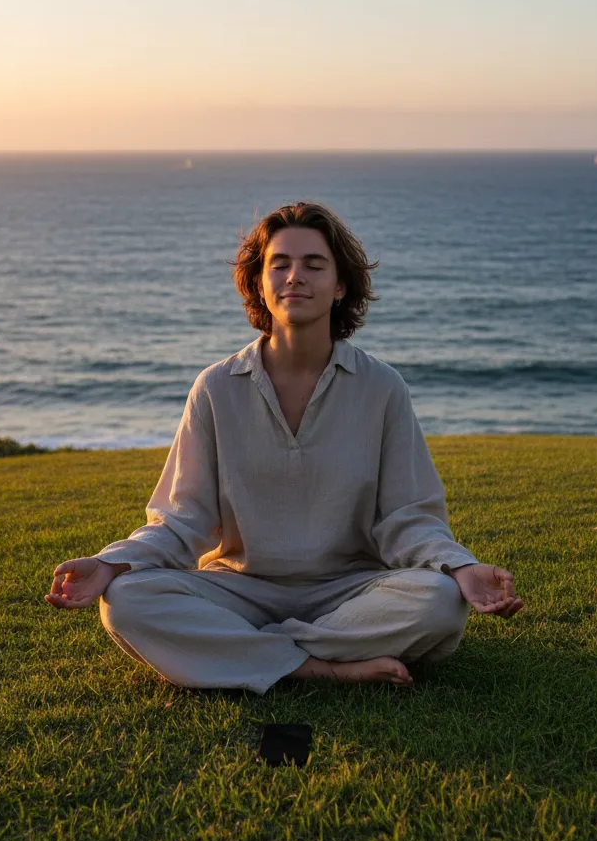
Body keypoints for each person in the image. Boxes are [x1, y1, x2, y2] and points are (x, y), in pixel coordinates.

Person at [46, 201, 523, 695]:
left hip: (351, 591)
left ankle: (247, 652)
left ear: (340, 286)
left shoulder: (382, 387)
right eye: (280, 264)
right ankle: (318, 665)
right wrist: (111, 563)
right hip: (238, 588)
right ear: (259, 282)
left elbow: (408, 516)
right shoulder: (215, 388)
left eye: (314, 265)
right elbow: (179, 521)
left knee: (441, 601)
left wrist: (460, 566)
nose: (295, 276)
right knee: (125, 599)